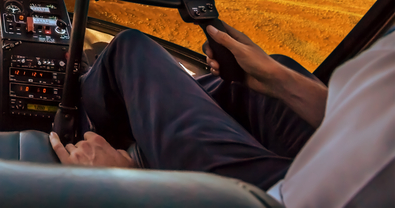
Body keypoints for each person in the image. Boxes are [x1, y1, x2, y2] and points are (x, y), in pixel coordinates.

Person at [48, 23, 395, 207]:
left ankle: (79, 131)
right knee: (269, 75)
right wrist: (276, 78)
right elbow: (369, 118)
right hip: (332, 166)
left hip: (273, 197)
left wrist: (130, 187)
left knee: (131, 51)